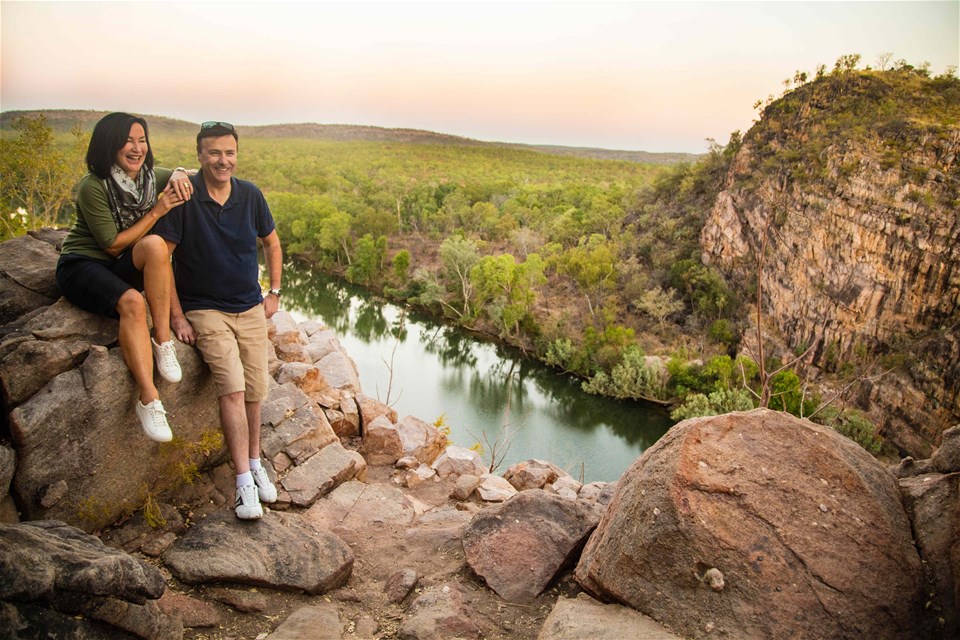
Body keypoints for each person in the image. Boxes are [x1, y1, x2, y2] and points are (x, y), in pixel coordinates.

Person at [153, 121, 282, 520]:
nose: (222, 160)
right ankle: (243, 484)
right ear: (199, 155)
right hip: (206, 309)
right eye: (213, 152)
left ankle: (256, 463)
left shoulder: (251, 195)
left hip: (249, 307)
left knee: (256, 391)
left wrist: (274, 292)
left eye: (229, 152)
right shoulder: (186, 196)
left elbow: (272, 243)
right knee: (232, 389)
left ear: (236, 154)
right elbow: (163, 259)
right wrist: (177, 316)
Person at [56, 112, 193, 443]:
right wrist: (158, 210)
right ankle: (149, 399)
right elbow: (113, 244)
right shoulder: (93, 186)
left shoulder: (147, 177)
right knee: (132, 302)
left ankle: (162, 340)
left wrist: (177, 172)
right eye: (127, 141)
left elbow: (188, 174)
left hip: (117, 265)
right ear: (109, 145)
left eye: (141, 140)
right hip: (84, 265)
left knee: (157, 246)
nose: (136, 148)